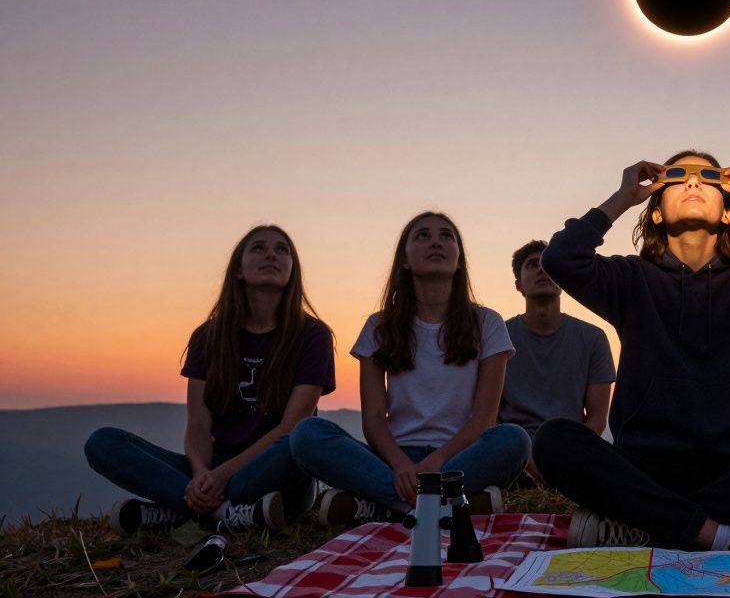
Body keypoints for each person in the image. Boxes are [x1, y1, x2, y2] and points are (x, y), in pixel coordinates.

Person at [532, 151, 730, 559]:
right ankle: (719, 534)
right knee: (553, 439)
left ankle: (643, 528)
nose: (693, 183)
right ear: (656, 211)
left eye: (709, 178)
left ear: (728, 213)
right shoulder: (629, 279)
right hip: (642, 467)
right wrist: (623, 197)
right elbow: (560, 258)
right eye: (677, 176)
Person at [85, 225, 334, 536]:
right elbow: (199, 424)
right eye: (258, 247)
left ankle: (177, 509)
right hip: (217, 466)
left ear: (292, 271)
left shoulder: (312, 335)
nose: (272, 254)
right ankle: (224, 512)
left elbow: (291, 427)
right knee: (103, 442)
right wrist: (202, 473)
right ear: (238, 270)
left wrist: (222, 475)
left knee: (303, 438)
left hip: (277, 472)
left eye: (282, 250)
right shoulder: (208, 337)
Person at [289, 212, 530, 526]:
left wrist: (436, 462)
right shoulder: (380, 326)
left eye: (447, 236)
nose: (436, 242)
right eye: (423, 236)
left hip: (459, 457)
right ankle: (442, 504)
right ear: (404, 260)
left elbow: (484, 417)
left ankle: (383, 505)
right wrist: (401, 464)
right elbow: (374, 418)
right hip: (393, 460)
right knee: (307, 434)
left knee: (514, 439)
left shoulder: (487, 323)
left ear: (459, 261)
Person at [498, 240, 615, 482]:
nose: (542, 270)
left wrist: (563, 457)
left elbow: (596, 418)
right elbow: (489, 414)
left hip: (570, 450)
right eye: (532, 265)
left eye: (547, 264)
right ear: (519, 285)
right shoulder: (497, 337)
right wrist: (527, 461)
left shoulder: (593, 338)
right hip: (510, 451)